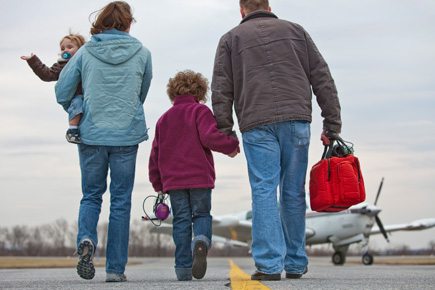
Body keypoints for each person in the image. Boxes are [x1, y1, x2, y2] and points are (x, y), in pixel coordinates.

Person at [211, 0, 342, 281]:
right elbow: (323, 78)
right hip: (296, 120)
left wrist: (225, 131)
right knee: (294, 192)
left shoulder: (230, 39)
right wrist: (332, 124)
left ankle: (269, 265)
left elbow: (221, 88)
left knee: (264, 190)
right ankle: (295, 262)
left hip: (256, 123)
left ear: (242, 10)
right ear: (269, 8)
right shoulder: (297, 31)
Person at [55, 1, 152, 282]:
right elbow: (141, 92)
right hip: (126, 135)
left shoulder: (84, 51)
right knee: (120, 201)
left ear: (101, 22)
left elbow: (62, 91)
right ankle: (115, 270)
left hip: (92, 135)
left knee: (91, 195)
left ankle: (86, 239)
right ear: (129, 23)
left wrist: (78, 110)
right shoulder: (143, 52)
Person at [148, 70, 239, 281]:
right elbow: (210, 137)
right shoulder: (200, 111)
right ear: (200, 91)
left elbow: (156, 153)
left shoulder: (164, 119)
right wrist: (231, 146)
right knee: (201, 215)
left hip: (174, 181)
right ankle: (200, 241)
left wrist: (157, 182)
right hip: (199, 176)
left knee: (181, 220)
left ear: (173, 93)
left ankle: (182, 268)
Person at [21, 32, 86, 144]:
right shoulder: (62, 65)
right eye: (62, 48)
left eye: (69, 47)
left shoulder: (86, 62)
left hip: (89, 94)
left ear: (80, 49)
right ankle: (72, 129)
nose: (65, 50)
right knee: (77, 103)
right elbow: (47, 74)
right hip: (75, 96)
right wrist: (33, 60)